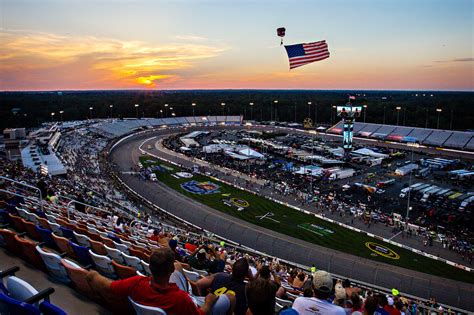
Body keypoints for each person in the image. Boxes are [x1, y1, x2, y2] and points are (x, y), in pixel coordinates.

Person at [86, 247, 233, 315]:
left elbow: (107, 285)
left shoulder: (136, 283)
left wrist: (93, 275)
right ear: (169, 271)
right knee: (230, 298)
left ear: (150, 267)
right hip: (189, 304)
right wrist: (208, 303)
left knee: (178, 266)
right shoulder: (180, 299)